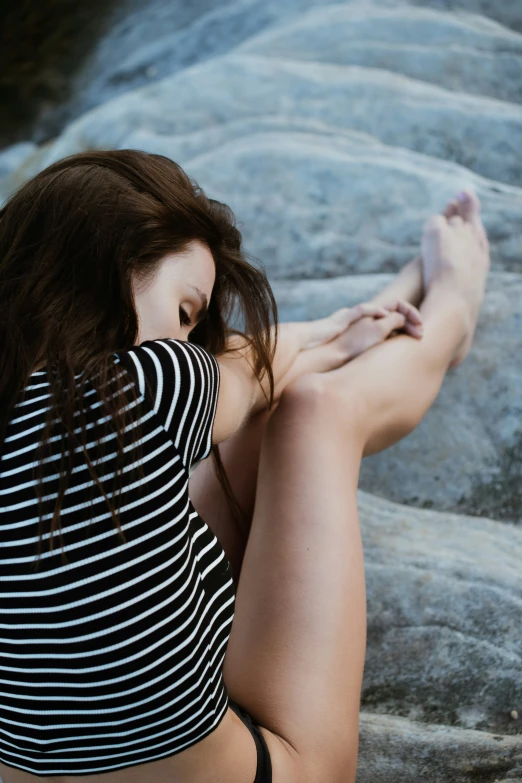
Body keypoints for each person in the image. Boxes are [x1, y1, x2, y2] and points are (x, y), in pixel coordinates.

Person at [0, 149, 489, 783]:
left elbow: (236, 373)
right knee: (314, 411)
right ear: (109, 267)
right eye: (184, 312)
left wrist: (334, 332)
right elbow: (253, 372)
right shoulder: (135, 387)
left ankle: (387, 310)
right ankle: (450, 316)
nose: (182, 341)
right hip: (277, 768)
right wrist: (329, 333)